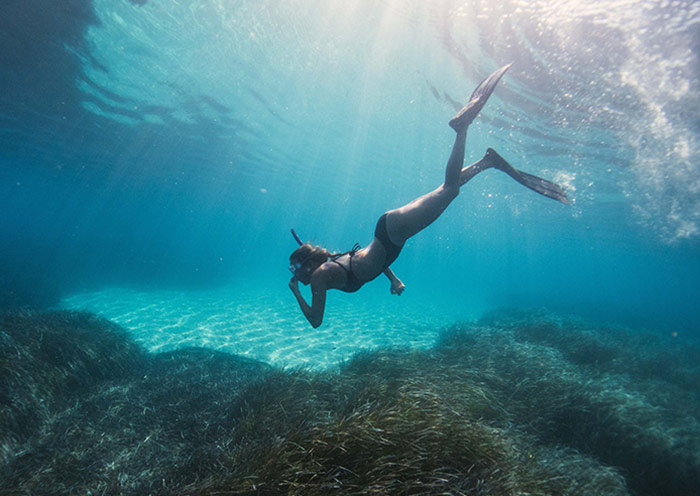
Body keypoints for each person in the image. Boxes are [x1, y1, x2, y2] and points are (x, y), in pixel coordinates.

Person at [289, 64, 570, 328]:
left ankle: (461, 129)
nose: (295, 275)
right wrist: (394, 279)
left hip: (392, 234)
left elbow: (316, 320)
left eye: (295, 269)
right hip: (389, 230)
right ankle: (487, 162)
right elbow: (366, 261)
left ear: (307, 265)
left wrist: (295, 293)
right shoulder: (329, 263)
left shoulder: (320, 276)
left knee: (450, 190)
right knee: (445, 190)